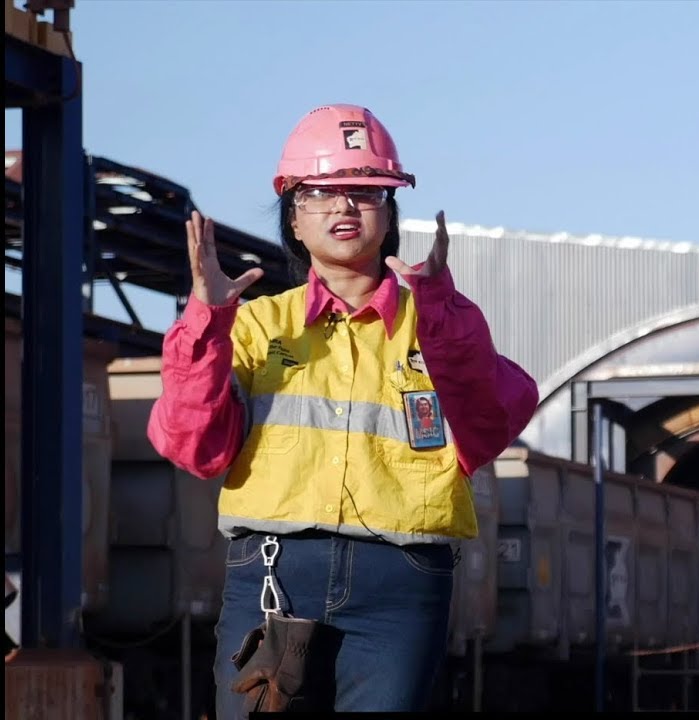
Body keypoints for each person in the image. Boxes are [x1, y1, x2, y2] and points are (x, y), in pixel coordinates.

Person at [147, 103, 539, 715]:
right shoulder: (252, 328)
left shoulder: (438, 326)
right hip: (273, 575)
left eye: (364, 192)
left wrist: (439, 309)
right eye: (321, 193)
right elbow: (194, 448)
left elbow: (487, 426)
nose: (344, 207)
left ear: (390, 214)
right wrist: (206, 324)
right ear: (293, 220)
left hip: (401, 583)